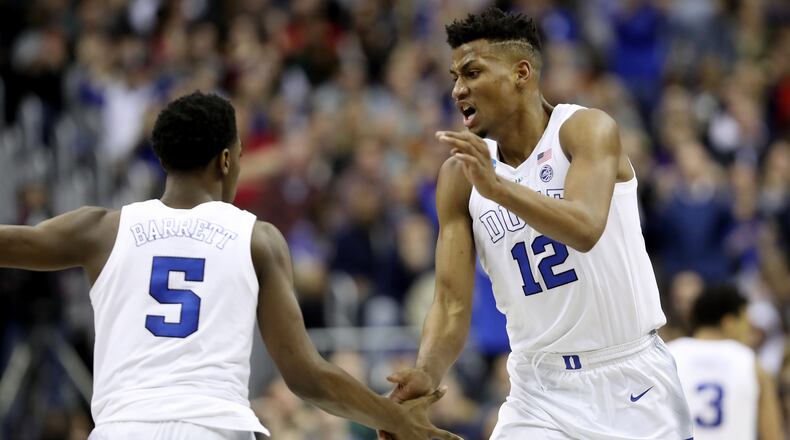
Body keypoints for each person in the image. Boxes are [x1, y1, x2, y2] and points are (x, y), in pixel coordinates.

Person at [0, 92, 460, 440]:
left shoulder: (102, 229)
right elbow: (306, 376)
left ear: (163, 159)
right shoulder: (256, 238)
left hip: (123, 428)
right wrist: (394, 418)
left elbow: (13, 243)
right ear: (225, 160)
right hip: (216, 427)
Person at [383, 8, 693, 439]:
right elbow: (452, 303)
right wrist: (427, 371)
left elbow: (585, 228)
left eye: (472, 72)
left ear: (520, 73)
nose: (457, 89)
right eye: (454, 76)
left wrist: (498, 189)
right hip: (538, 390)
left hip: (628, 377)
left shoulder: (584, 129)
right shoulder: (460, 175)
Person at [668, 285, 784, 440]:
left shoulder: (669, 354)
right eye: (746, 322)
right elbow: (773, 436)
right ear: (729, 322)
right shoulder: (750, 362)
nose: (749, 331)